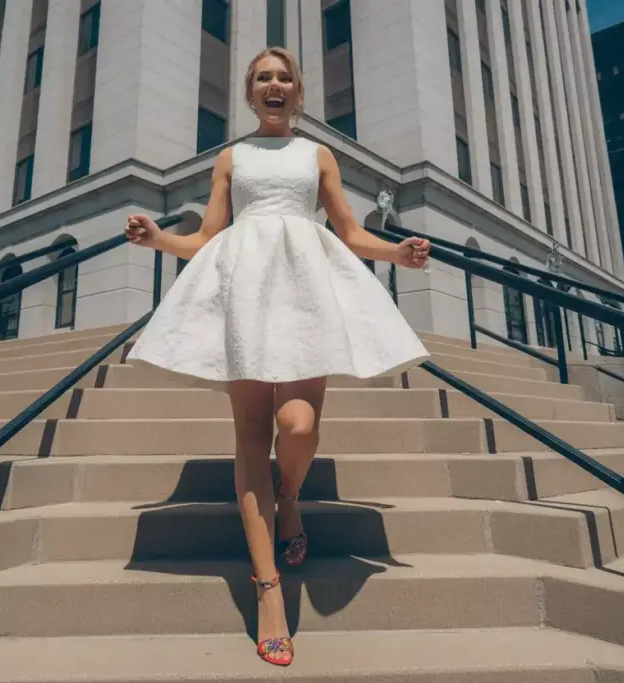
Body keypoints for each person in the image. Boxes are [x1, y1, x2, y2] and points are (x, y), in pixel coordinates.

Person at [124, 47, 431, 667]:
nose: (274, 84)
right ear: (250, 91)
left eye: (284, 77)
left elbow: (348, 230)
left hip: (302, 290)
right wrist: (159, 240)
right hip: (244, 288)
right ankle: (268, 588)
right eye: (263, 77)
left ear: (297, 92)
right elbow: (208, 235)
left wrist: (397, 254)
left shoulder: (317, 154)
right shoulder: (230, 157)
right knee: (251, 432)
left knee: (300, 425)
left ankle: (287, 496)